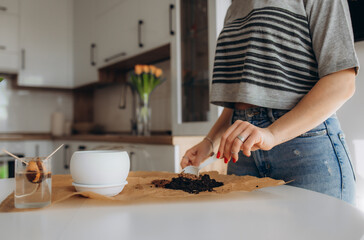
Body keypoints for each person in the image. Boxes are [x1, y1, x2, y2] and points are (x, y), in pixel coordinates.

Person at [180, 0, 359, 204]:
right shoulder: (235, 5)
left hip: (306, 152)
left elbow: (342, 81)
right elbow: (243, 97)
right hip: (244, 154)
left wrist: (272, 134)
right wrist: (209, 142)